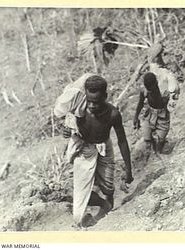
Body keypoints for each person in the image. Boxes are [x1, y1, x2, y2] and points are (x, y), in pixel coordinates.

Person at [62, 75, 133, 227]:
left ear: (105, 96)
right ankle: (102, 205)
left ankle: (109, 205)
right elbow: (67, 127)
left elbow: (122, 140)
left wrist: (129, 169)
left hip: (104, 147)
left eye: (97, 101)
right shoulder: (78, 111)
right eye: (89, 101)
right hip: (84, 149)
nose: (92, 106)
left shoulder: (113, 114)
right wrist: (67, 132)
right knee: (81, 192)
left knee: (108, 187)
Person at [133, 72, 171, 154]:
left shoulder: (163, 91)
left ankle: (160, 148)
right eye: (148, 89)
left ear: (156, 83)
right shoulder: (145, 91)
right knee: (147, 137)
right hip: (149, 114)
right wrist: (136, 117)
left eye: (152, 89)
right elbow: (140, 103)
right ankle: (153, 150)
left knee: (160, 139)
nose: (150, 91)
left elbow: (169, 105)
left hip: (162, 115)